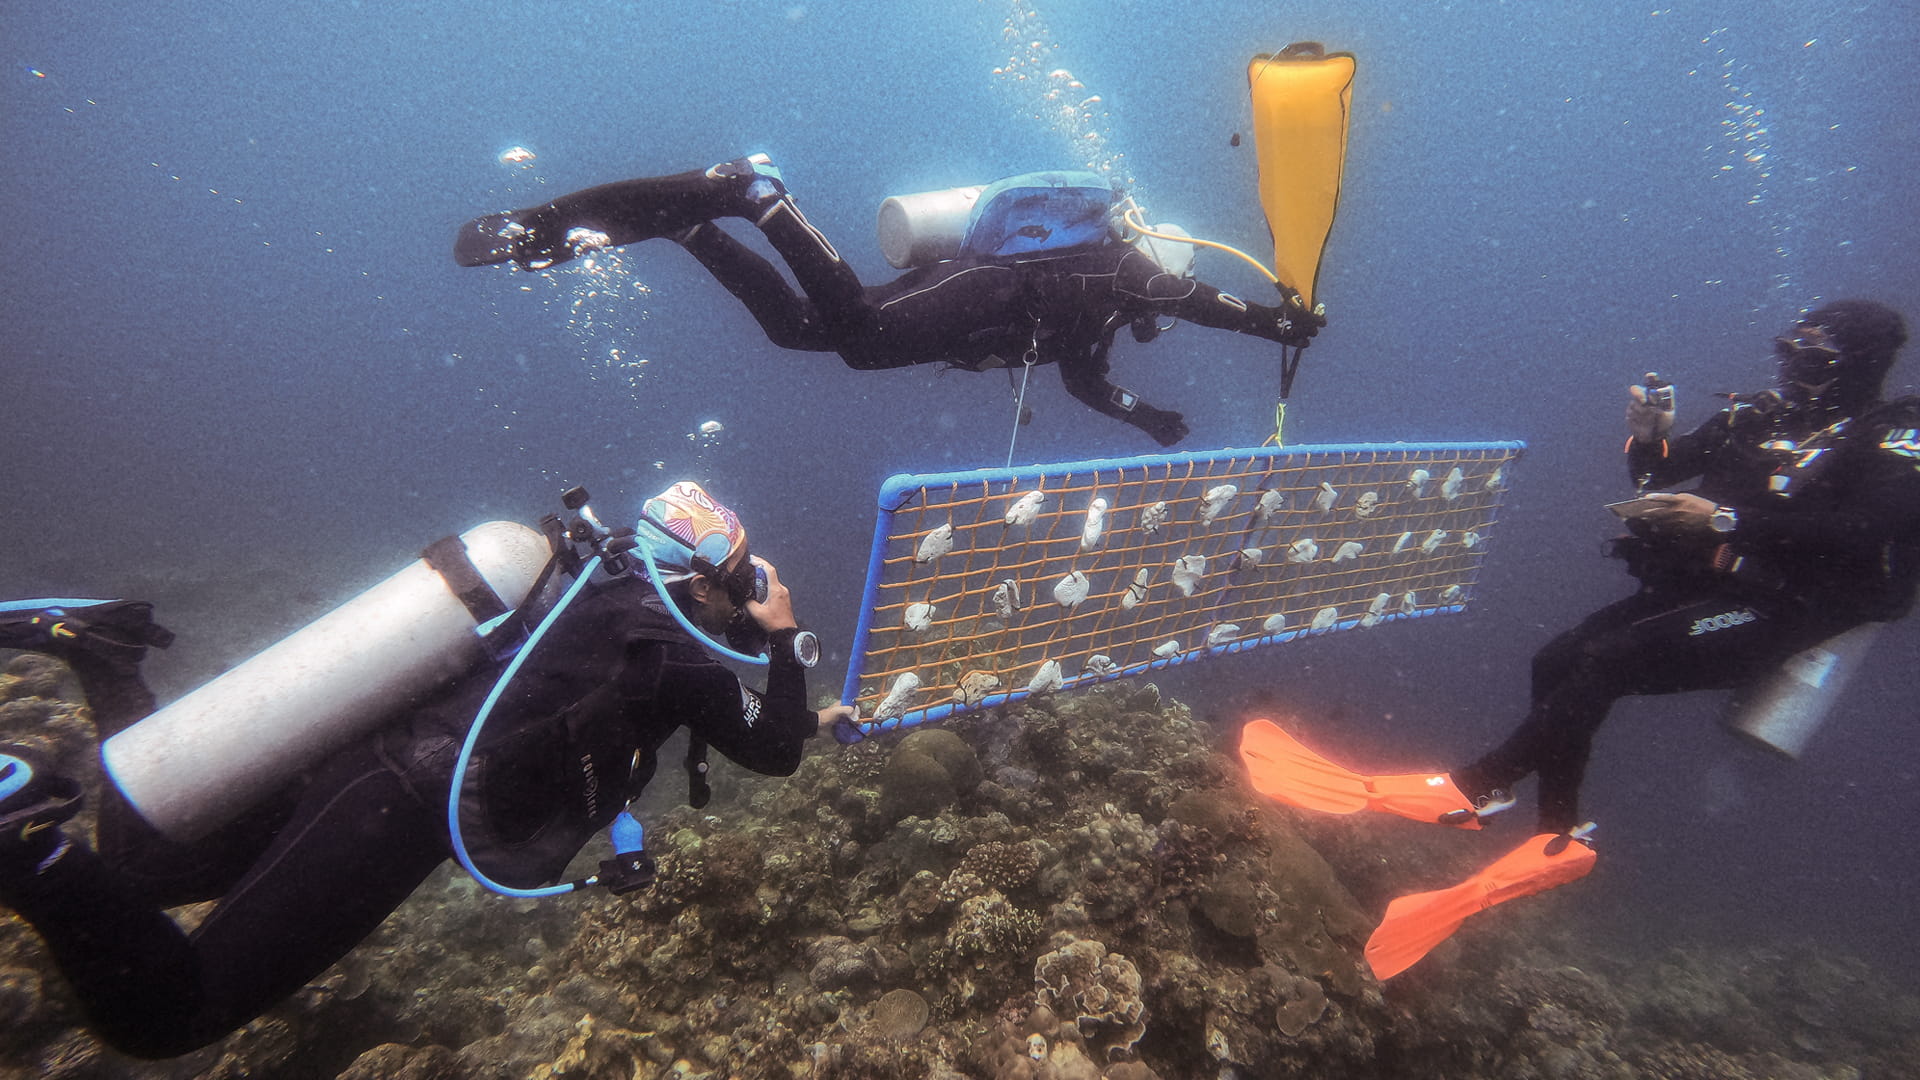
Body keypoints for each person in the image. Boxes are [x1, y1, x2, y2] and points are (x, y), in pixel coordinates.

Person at [0, 481, 848, 1058]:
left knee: (138, 869)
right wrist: (782, 636)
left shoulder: (608, 582)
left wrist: (809, 714)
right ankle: (24, 833)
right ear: (700, 582)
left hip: (367, 756)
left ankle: (99, 651)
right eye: (740, 578)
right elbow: (765, 751)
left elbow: (752, 719)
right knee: (168, 1016)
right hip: (394, 811)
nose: (749, 590)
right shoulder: (673, 654)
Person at [1239, 299, 1920, 979]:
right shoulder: (1761, 416)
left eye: (1812, 361)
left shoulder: (1891, 434)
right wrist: (1649, 436)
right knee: (1556, 657)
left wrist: (1728, 521)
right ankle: (1555, 834)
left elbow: (1872, 529)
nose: (1791, 371)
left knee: (1607, 661)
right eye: (1788, 353)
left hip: (1785, 607)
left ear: (1858, 366)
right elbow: (1655, 475)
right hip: (1709, 587)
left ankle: (1475, 787)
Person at [453, 155, 1324, 446]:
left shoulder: (1101, 322)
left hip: (963, 304)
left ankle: (692, 231)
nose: (1158, 317)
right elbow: (1211, 304)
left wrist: (1147, 417)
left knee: (804, 332)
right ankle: (756, 196)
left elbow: (1083, 384)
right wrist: (1278, 323)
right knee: (862, 336)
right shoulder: (1127, 269)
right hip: (980, 285)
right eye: (1160, 305)